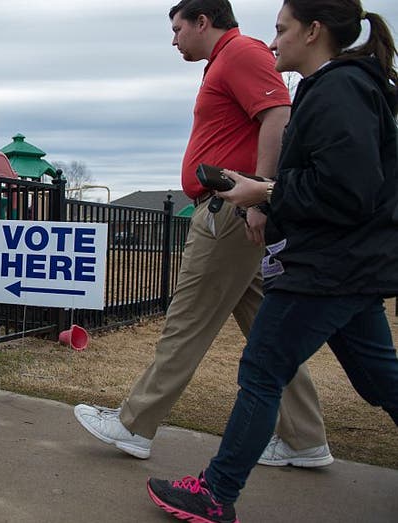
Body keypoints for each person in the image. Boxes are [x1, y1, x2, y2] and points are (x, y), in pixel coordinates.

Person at [148, 1, 398, 520]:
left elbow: (350, 191)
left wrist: (264, 192)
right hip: (349, 268)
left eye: (282, 30)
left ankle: (216, 493)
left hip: (327, 268)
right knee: (379, 378)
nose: (274, 40)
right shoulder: (334, 87)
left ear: (313, 30)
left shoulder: (340, 89)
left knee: (262, 371)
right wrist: (268, 192)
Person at [74, 0, 332, 466]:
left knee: (185, 324)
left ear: (202, 21)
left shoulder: (240, 53)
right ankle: (304, 439)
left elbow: (278, 116)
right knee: (270, 336)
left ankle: (134, 425)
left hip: (229, 209)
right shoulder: (228, 59)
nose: (174, 39)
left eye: (177, 29)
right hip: (237, 210)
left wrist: (261, 194)